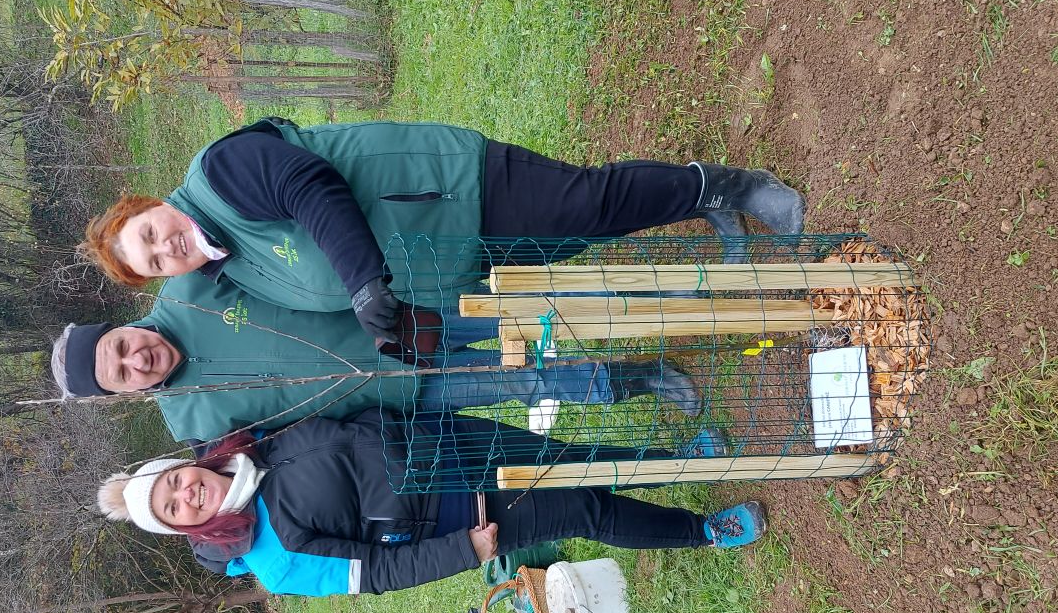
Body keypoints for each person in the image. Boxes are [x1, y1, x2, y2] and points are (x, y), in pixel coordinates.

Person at [79, 118, 805, 343]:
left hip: (447, 185)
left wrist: (364, 280)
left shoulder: (220, 173)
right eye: (150, 261)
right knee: (574, 236)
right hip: (445, 253)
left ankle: (726, 184)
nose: (160, 247)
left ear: (149, 207)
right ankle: (690, 201)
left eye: (146, 232)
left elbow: (309, 186)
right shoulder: (223, 263)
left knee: (585, 201)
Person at [96, 409, 768, 596]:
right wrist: (464, 550)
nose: (185, 494)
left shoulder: (255, 441)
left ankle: (682, 460)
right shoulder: (274, 559)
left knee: (572, 460)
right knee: (585, 508)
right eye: (175, 508)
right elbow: (377, 573)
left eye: (174, 482)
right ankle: (701, 530)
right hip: (461, 515)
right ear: (190, 525)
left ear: (183, 465)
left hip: (447, 445)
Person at [51, 271, 704, 442]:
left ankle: (651, 298)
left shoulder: (189, 290)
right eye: (122, 375)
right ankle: (640, 377)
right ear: (125, 394)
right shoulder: (191, 424)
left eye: (119, 347)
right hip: (398, 394)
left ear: (118, 326)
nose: (137, 360)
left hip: (404, 316)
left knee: (526, 311)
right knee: (525, 381)